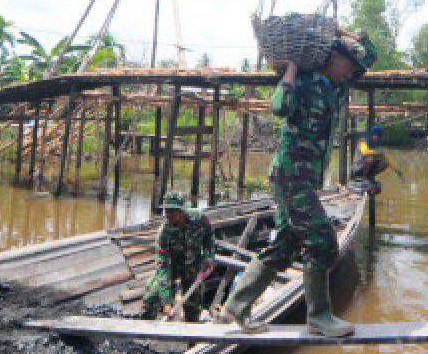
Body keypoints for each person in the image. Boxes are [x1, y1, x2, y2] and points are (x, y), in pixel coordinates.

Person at [219, 27, 377, 337]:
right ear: (332, 58)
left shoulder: (336, 88)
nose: (350, 69)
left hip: (303, 179)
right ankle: (319, 317)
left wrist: (347, 33)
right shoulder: (303, 83)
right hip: (291, 176)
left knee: (285, 246)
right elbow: (279, 107)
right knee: (321, 242)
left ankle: (236, 305)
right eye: (346, 61)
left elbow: (368, 58)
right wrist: (290, 70)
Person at [142, 192, 216, 321]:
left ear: (182, 211)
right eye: (166, 211)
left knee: (192, 307)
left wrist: (209, 258)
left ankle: (191, 336)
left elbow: (209, 236)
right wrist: (166, 301)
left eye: (172, 211)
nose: (168, 215)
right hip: (172, 267)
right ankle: (146, 331)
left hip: (193, 266)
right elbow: (163, 268)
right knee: (151, 296)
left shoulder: (199, 218)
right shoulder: (164, 233)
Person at [348, 125, 399, 194]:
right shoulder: (363, 141)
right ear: (373, 134)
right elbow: (365, 152)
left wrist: (397, 171)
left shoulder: (377, 145)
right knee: (370, 158)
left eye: (380, 136)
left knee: (385, 162)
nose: (378, 138)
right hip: (358, 168)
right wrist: (377, 153)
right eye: (377, 136)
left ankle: (369, 177)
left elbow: (386, 159)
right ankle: (363, 179)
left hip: (367, 168)